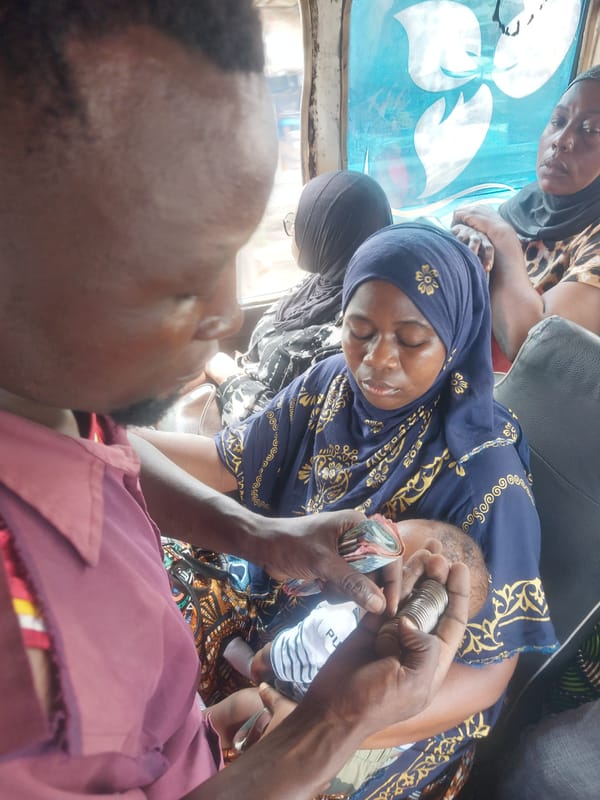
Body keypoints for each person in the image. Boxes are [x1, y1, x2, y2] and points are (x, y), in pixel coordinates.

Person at [0, 3, 472, 799]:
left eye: (238, 248)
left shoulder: (51, 392)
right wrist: (325, 729)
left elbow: (101, 450)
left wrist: (257, 533)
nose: (225, 313)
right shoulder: (24, 658)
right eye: (179, 281)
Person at [134, 221, 558, 799]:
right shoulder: (331, 385)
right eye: (359, 331)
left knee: (275, 772)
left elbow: (484, 676)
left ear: (456, 339)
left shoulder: (486, 476)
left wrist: (332, 726)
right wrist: (98, 437)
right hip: (285, 613)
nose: (377, 362)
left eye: (411, 341)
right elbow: (225, 461)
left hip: (391, 688)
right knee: (146, 584)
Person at [204, 170, 393, 426]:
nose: (293, 228)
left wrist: (226, 375)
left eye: (302, 220)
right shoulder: (322, 283)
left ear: (327, 232)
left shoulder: (349, 336)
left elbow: (280, 432)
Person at [452, 66, 600, 369]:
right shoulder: (526, 204)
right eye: (558, 121)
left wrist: (503, 241)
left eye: (591, 130)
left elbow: (533, 349)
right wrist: (469, 241)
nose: (562, 140)